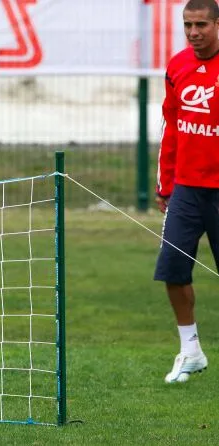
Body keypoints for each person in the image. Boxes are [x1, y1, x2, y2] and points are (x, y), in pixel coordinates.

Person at [155, 0, 219, 383]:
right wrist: (166, 184)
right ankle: (190, 350)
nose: (194, 32)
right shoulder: (178, 66)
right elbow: (171, 128)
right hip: (186, 190)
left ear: (217, 24)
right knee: (173, 270)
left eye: (201, 25)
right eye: (187, 25)